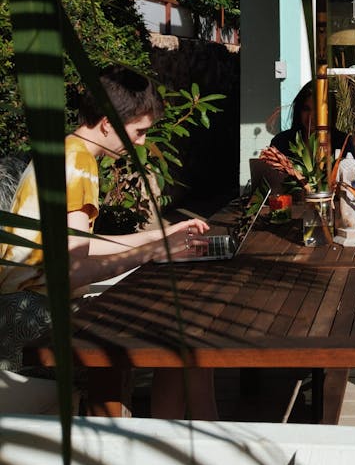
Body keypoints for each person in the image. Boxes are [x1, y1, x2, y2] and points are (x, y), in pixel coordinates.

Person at [0, 65, 217, 419]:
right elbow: (73, 271)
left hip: (18, 307)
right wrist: (151, 253)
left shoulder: (66, 151)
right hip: (29, 320)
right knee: (178, 339)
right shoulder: (78, 165)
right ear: (107, 123)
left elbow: (76, 242)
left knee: (178, 335)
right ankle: (151, 441)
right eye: (138, 131)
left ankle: (168, 438)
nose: (143, 142)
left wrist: (157, 236)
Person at [271, 81, 354, 160]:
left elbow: (351, 173)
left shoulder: (342, 142)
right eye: (306, 109)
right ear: (299, 111)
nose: (311, 116)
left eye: (318, 110)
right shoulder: (281, 141)